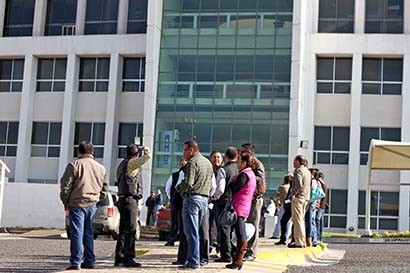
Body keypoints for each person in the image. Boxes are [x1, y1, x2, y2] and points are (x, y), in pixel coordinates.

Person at [60, 141, 108, 270]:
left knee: (77, 232)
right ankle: (90, 261)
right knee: (88, 233)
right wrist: (98, 198)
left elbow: (65, 186)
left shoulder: (74, 165)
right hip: (92, 203)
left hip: (76, 203)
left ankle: (76, 262)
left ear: (79, 152)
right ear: (92, 152)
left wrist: (66, 201)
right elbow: (104, 188)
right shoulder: (101, 168)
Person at [177, 140, 213, 270]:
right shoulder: (208, 162)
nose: (183, 153)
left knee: (191, 232)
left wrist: (179, 188)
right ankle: (194, 259)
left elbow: (188, 183)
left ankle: (193, 261)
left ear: (191, 150)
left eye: (185, 150)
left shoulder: (192, 162)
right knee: (198, 231)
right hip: (204, 200)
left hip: (192, 199)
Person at [115, 144, 151, 267]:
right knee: (131, 229)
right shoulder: (131, 163)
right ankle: (128, 258)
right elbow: (148, 157)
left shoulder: (121, 164)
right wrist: (145, 149)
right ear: (136, 155)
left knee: (123, 230)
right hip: (130, 200)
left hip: (122, 199)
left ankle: (119, 257)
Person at [226, 152, 256, 270]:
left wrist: (233, 181)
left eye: (239, 162)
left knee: (240, 233)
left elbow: (234, 189)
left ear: (244, 163)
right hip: (244, 207)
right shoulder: (251, 174)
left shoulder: (244, 175)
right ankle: (237, 258)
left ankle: (238, 260)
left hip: (239, 207)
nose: (237, 164)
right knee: (238, 232)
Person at [240, 143, 265, 262]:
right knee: (246, 226)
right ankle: (245, 249)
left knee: (253, 225)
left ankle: (251, 252)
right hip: (247, 198)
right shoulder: (245, 163)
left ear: (249, 152)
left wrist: (248, 176)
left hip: (255, 198)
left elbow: (259, 178)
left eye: (243, 151)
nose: (241, 153)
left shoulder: (257, 164)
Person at [214, 147, 238, 263]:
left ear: (226, 156)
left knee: (223, 229)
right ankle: (233, 252)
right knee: (234, 229)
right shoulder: (239, 169)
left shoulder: (223, 170)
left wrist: (214, 197)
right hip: (236, 202)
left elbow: (220, 188)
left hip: (223, 202)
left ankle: (226, 255)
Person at [288, 155, 311, 248]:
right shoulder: (307, 171)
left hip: (298, 197)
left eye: (294, 161)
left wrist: (293, 194)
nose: (293, 163)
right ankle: (302, 241)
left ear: (298, 161)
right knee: (301, 220)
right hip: (306, 198)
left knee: (297, 220)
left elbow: (298, 184)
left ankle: (299, 242)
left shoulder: (298, 170)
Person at [165, 159, 187, 246]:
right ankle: (172, 239)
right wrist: (171, 198)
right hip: (176, 201)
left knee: (182, 221)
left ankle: (180, 239)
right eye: (182, 164)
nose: (183, 166)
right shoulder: (174, 175)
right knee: (175, 221)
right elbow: (168, 188)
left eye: (184, 164)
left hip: (183, 201)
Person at [209, 150, 223, 254]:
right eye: (214, 157)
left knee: (219, 226)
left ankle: (219, 247)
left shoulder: (223, 170)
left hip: (220, 202)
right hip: (208, 202)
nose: (216, 159)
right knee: (207, 225)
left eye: (218, 157)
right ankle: (208, 247)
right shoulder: (208, 170)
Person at [271, 174, 292, 240]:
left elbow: (275, 195)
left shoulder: (282, 187)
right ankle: (287, 235)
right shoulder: (291, 187)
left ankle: (276, 234)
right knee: (289, 221)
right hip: (291, 204)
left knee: (280, 220)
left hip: (284, 204)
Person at [315, 172, 328, 244]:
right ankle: (319, 237)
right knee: (320, 221)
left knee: (317, 220)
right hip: (322, 206)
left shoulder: (321, 185)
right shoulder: (324, 185)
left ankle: (318, 237)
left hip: (320, 206)